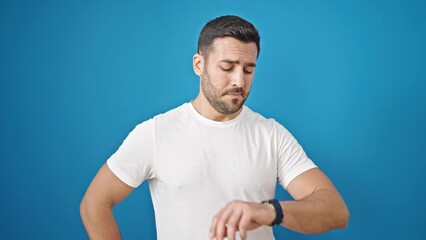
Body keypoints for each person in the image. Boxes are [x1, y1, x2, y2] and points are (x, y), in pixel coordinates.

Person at [80, 15, 349, 240]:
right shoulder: (155, 133)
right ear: (200, 65)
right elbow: (95, 203)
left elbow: (335, 211)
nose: (238, 81)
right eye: (227, 67)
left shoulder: (271, 135)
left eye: (248, 69)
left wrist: (269, 211)